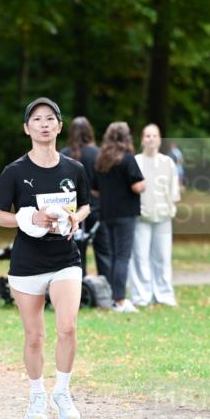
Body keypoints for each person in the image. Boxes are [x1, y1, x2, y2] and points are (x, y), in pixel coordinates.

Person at [0, 98, 90, 419]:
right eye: (37, 119)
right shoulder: (15, 172)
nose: (44, 124)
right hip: (27, 264)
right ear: (27, 128)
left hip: (65, 259)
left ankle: (62, 392)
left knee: (68, 327)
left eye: (50, 119)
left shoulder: (74, 169)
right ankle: (36, 395)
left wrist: (77, 218)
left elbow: (86, 205)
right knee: (34, 336)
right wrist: (29, 217)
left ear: (60, 127)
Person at [93, 122, 145, 313]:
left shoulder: (101, 160)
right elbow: (137, 186)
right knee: (123, 257)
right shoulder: (128, 159)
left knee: (113, 256)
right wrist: (145, 184)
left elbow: (94, 190)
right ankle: (120, 300)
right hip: (126, 214)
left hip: (107, 214)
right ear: (126, 137)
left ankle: (112, 297)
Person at [129, 124, 181, 307]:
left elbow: (173, 189)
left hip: (163, 217)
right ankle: (142, 296)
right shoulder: (135, 161)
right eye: (147, 135)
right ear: (142, 139)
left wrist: (171, 205)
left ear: (159, 139)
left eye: (154, 135)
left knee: (163, 258)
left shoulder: (168, 162)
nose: (151, 139)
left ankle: (164, 295)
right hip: (141, 217)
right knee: (140, 257)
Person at [60, 116, 111, 279]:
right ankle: (106, 286)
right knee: (103, 250)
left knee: (75, 252)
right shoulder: (97, 154)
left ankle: (77, 288)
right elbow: (103, 184)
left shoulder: (63, 154)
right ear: (89, 132)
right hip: (95, 208)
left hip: (71, 211)